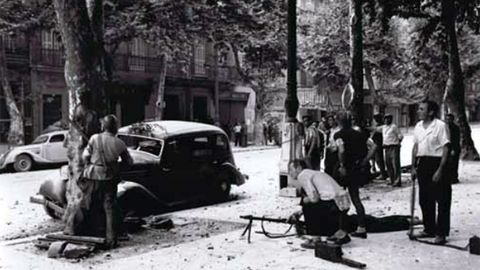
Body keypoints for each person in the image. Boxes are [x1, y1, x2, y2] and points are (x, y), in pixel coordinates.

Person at [82, 115, 133, 248]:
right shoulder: (120, 143)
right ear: (115, 127)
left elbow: (85, 156)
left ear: (103, 126)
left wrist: (90, 164)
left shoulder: (94, 138)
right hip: (110, 178)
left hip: (93, 177)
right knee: (109, 207)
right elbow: (129, 162)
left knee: (92, 205)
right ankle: (111, 240)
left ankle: (93, 236)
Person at [411, 100, 451, 245]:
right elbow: (415, 147)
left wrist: (440, 170)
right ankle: (429, 228)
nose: (418, 111)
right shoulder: (418, 126)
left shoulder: (440, 126)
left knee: (442, 200)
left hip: (438, 162)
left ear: (431, 112)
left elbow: (446, 148)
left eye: (422, 109)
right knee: (425, 199)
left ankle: (441, 233)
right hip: (423, 163)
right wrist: (413, 167)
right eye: (419, 109)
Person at [287, 160, 352, 246]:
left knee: (307, 206)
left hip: (334, 203)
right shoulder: (313, 173)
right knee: (312, 205)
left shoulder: (302, 175)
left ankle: (315, 239)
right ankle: (340, 234)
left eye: (290, 170)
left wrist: (304, 201)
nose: (289, 173)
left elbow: (314, 198)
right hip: (343, 202)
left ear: (299, 168)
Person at [334, 111, 377, 239]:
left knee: (341, 197)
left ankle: (342, 228)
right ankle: (361, 227)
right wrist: (365, 161)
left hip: (344, 169)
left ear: (339, 122)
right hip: (356, 168)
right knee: (356, 198)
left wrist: (341, 165)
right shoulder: (360, 134)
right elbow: (374, 146)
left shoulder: (338, 135)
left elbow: (341, 150)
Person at [382, 114, 403, 186]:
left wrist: (399, 143)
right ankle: (392, 180)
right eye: (385, 118)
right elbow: (375, 129)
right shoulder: (383, 127)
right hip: (386, 147)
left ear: (391, 119)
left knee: (395, 164)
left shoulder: (394, 127)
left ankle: (397, 181)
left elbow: (400, 135)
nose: (386, 120)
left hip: (393, 147)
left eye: (388, 119)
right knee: (388, 164)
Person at [371, 114, 388, 180]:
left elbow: (374, 134)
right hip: (379, 144)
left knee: (379, 159)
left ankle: (382, 173)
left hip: (378, 144)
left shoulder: (379, 127)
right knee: (379, 159)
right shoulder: (382, 126)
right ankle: (382, 173)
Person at [446, 113, 460, 184]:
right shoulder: (445, 127)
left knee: (454, 164)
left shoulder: (455, 128)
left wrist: (453, 149)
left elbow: (456, 140)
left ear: (452, 119)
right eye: (447, 119)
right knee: (449, 164)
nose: (448, 121)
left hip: (454, 148)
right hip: (448, 148)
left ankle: (454, 178)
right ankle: (450, 178)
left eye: (449, 119)